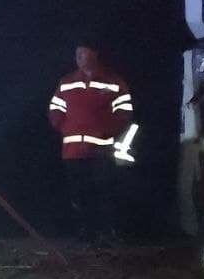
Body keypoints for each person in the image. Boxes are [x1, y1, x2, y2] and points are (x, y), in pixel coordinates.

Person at [47, 42, 137, 241]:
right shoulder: (66, 82)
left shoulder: (113, 81)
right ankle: (85, 233)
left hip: (101, 150)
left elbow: (124, 112)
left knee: (104, 192)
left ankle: (108, 233)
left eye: (83, 53)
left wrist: (105, 132)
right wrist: (65, 128)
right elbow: (55, 110)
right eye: (76, 54)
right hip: (72, 151)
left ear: (94, 54)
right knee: (79, 194)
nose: (78, 57)